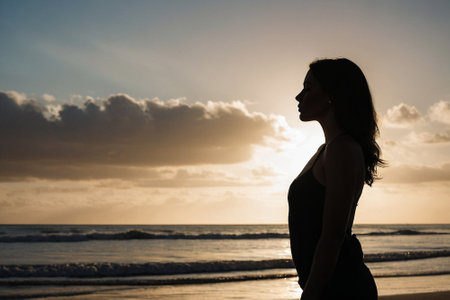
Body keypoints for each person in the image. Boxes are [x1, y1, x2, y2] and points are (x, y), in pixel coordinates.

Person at [288, 58, 383, 300]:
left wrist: (309, 296)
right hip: (331, 287)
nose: (299, 97)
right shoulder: (327, 149)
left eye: (308, 88)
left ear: (333, 95)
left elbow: (333, 235)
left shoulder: (342, 149)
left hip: (342, 289)